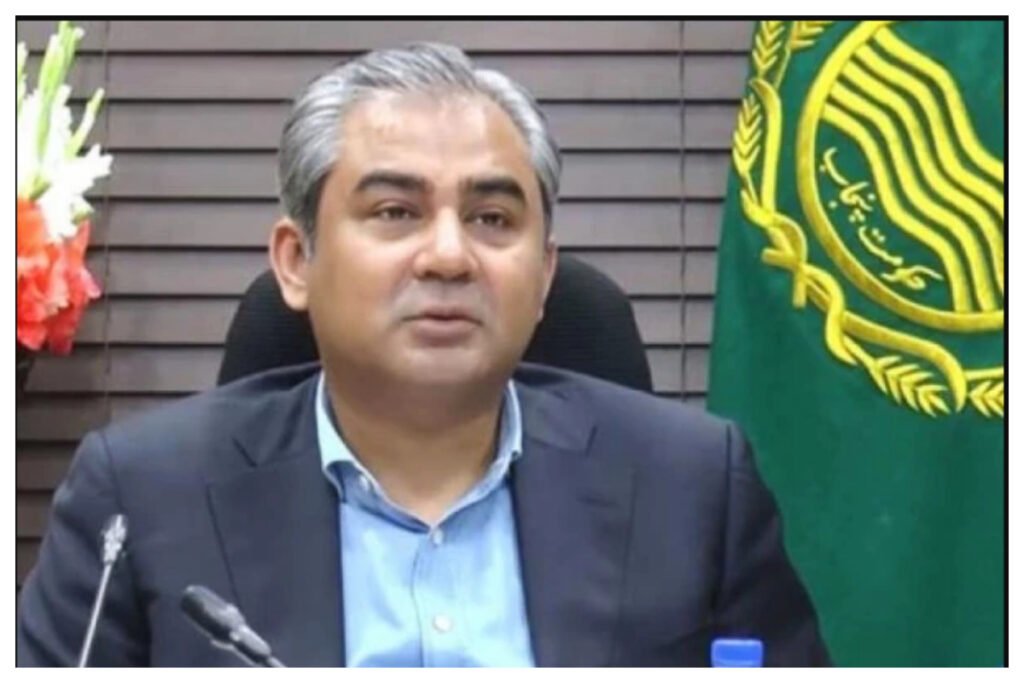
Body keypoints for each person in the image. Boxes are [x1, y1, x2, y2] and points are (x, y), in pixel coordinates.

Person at [16, 43, 830, 667]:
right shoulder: (140, 499)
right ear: (297, 261)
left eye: (492, 220)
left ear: (544, 275)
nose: (448, 255)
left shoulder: (695, 488)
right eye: (396, 211)